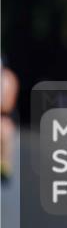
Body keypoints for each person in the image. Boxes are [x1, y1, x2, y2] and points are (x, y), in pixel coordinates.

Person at [0, 57, 18, 185]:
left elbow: (7, 106)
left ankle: (4, 164)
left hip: (3, 118)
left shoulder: (8, 79)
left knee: (5, 128)